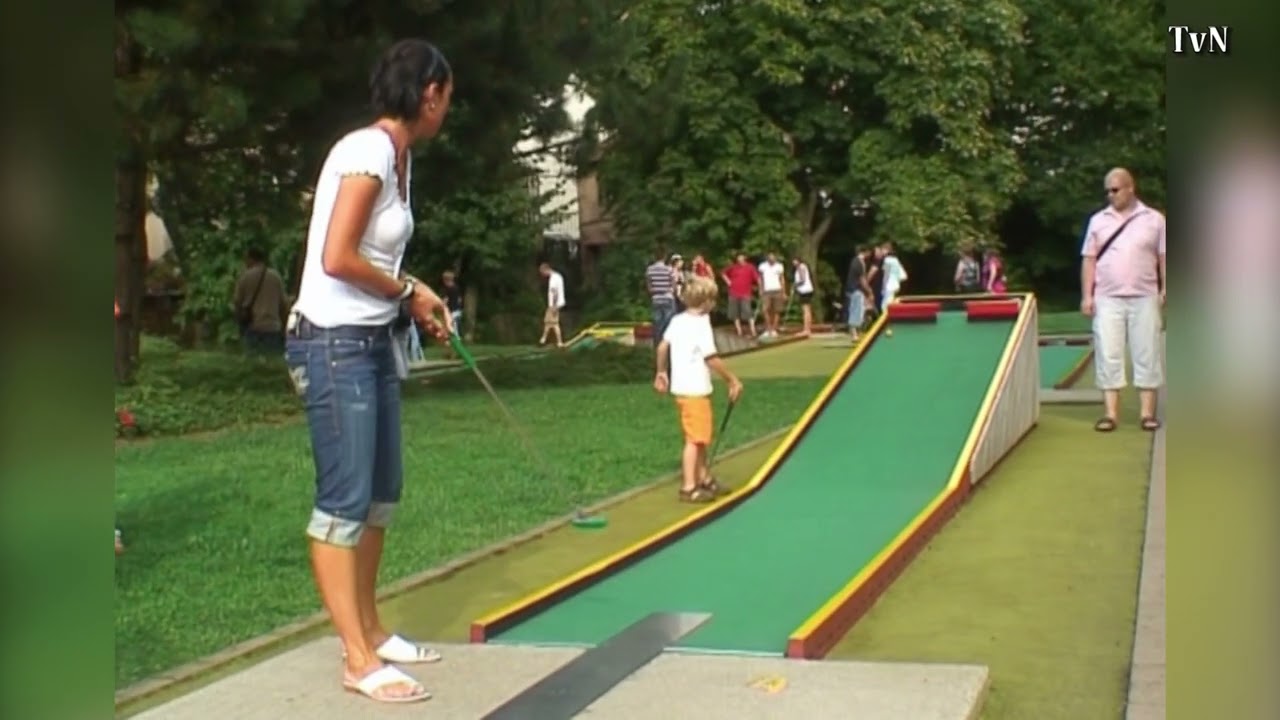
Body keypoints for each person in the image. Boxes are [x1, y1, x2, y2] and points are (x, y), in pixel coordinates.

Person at [284, 38, 455, 704]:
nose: (449, 108)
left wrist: (412, 300)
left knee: (382, 493)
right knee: (344, 499)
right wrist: (407, 290)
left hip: (371, 342)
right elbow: (336, 256)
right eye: (447, 95)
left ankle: (373, 631)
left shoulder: (400, 159)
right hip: (331, 345)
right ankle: (356, 659)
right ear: (429, 93)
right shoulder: (368, 151)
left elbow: (376, 263)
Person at [1080, 167, 1166, 432]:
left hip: (1145, 294)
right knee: (1108, 351)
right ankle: (1110, 414)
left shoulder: (1154, 219)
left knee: (1147, 351)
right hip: (1107, 296)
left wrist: (1166, 288)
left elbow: (1164, 256)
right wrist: (1086, 295)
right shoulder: (1098, 221)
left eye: (1115, 190)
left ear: (1130, 188)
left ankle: (1146, 414)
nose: (1110, 195)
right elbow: (1089, 259)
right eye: (1107, 190)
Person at [653, 276, 743, 503]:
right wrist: (731, 379)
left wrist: (661, 371)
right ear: (707, 302)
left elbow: (663, 347)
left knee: (700, 437)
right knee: (694, 440)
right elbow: (711, 357)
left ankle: (704, 478)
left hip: (682, 389)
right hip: (695, 390)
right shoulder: (702, 324)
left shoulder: (677, 320)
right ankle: (688, 486)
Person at [233, 246, 289, 354]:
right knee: (271, 363)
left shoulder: (245, 277)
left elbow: (237, 302)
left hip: (252, 327)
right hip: (273, 327)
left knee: (252, 365)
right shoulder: (275, 277)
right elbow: (283, 305)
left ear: (251, 259)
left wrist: (239, 323)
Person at [720, 253, 759, 337]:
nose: (740, 259)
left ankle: (753, 330)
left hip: (745, 293)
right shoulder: (733, 267)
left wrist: (760, 287)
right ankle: (739, 330)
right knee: (735, 313)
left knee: (747, 311)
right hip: (733, 292)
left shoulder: (750, 267)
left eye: (742, 257)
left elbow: (757, 278)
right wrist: (728, 282)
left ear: (745, 258)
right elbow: (723, 273)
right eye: (739, 258)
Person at [644, 249, 678, 345]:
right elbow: (674, 284)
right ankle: (668, 344)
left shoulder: (650, 269)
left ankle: (658, 344)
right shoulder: (669, 269)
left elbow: (649, 286)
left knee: (657, 323)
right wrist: (671, 291)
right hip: (668, 297)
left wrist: (653, 292)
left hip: (656, 298)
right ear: (664, 257)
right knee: (669, 322)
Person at [845, 247, 873, 342]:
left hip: (853, 289)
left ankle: (856, 332)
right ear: (865, 252)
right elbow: (862, 279)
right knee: (856, 311)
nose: (870, 255)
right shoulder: (860, 262)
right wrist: (869, 291)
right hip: (856, 290)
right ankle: (854, 334)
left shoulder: (855, 261)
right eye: (869, 252)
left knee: (859, 310)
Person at [757, 251, 787, 337]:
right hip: (766, 290)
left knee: (777, 310)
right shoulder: (762, 266)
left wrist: (783, 292)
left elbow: (782, 279)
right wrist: (760, 289)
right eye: (770, 257)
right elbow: (760, 279)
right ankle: (768, 328)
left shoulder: (779, 266)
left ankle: (774, 329)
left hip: (777, 289)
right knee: (765, 310)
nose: (771, 258)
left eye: (773, 257)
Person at [538, 262, 566, 347]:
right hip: (558, 303)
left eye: (543, 273)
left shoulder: (553, 278)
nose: (543, 275)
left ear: (546, 270)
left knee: (552, 323)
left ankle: (558, 342)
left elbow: (554, 292)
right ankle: (543, 340)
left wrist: (553, 306)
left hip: (554, 304)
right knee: (549, 322)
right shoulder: (558, 276)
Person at [879, 241, 908, 311]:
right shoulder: (895, 260)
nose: (881, 252)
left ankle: (901, 311)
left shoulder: (887, 260)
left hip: (889, 285)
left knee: (885, 306)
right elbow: (903, 275)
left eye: (882, 250)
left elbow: (886, 275)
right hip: (895, 285)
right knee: (890, 303)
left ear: (887, 250)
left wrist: (883, 287)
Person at [791, 255, 815, 335]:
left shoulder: (801, 267)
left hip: (805, 290)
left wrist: (794, 285)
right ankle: (808, 329)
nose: (793, 263)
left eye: (795, 261)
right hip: (805, 290)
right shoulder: (801, 267)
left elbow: (802, 279)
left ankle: (806, 329)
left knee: (805, 310)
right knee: (807, 309)